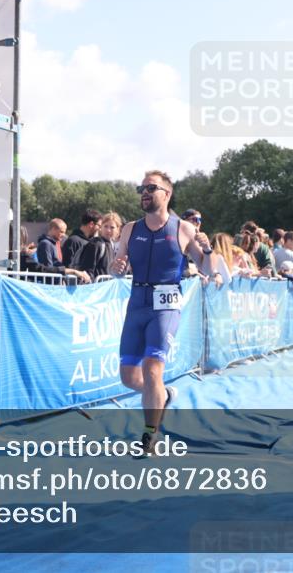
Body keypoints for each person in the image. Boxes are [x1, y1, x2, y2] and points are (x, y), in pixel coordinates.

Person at [109, 171, 215, 454]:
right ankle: (163, 396)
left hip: (165, 303)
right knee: (129, 377)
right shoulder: (130, 228)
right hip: (137, 302)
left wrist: (209, 250)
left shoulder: (183, 229)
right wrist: (115, 269)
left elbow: (207, 269)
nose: (144, 192)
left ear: (167, 193)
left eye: (151, 188)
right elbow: (115, 265)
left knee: (153, 368)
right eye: (141, 187)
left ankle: (149, 435)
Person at [19, 226, 91, 283]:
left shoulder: (53, 244)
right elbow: (45, 269)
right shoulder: (45, 244)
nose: (63, 235)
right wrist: (71, 272)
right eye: (61, 232)